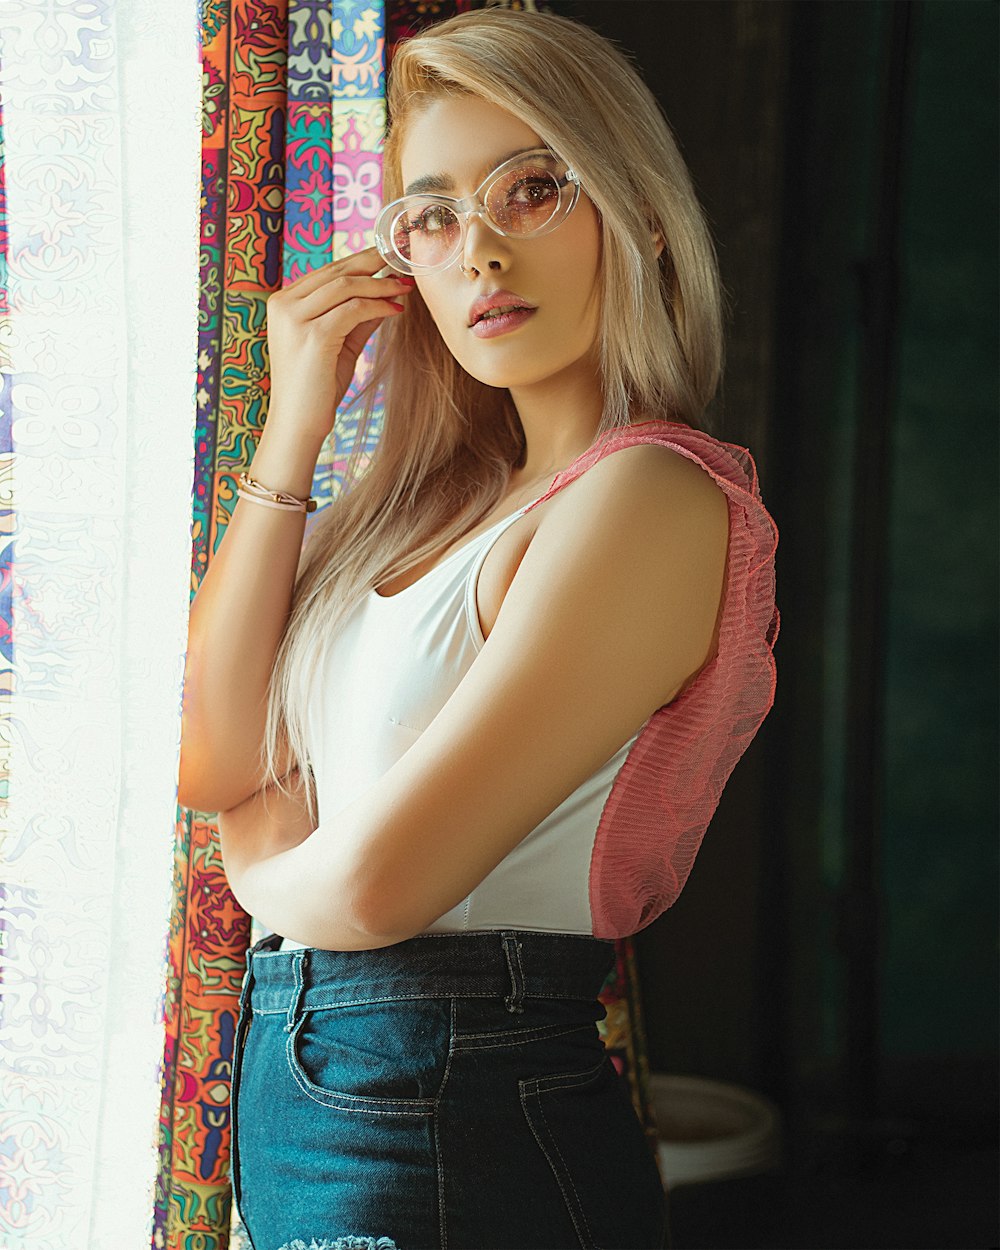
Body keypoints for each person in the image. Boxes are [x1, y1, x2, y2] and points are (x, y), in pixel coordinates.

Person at [178, 8, 779, 1249]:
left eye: (535, 189)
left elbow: (380, 880)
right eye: (435, 214)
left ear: (642, 215)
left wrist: (254, 872)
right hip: (339, 1098)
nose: (481, 252)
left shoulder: (648, 495)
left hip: (459, 1102)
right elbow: (212, 759)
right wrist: (296, 424)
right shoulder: (433, 506)